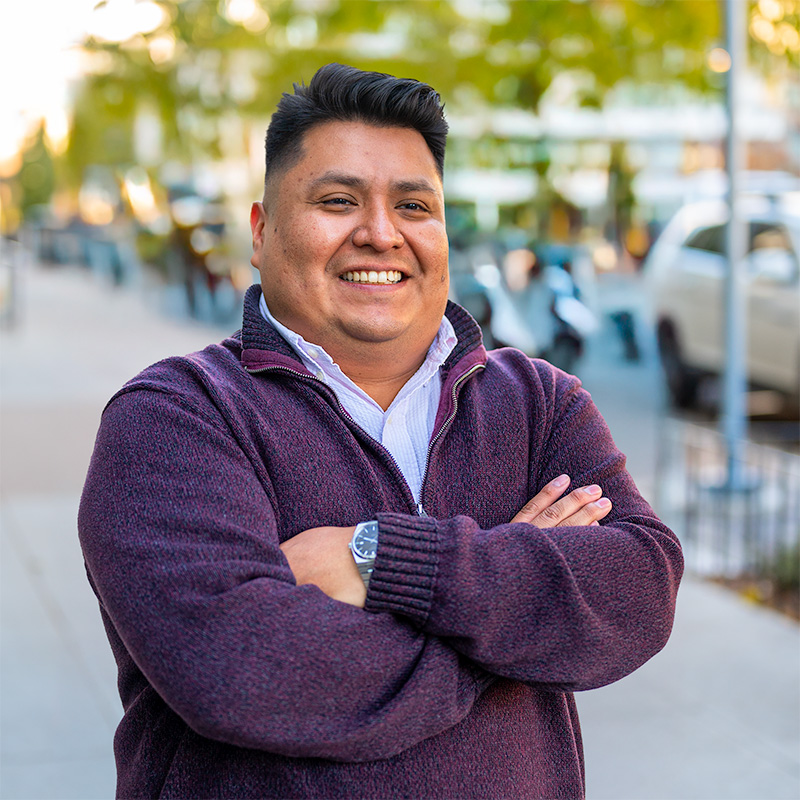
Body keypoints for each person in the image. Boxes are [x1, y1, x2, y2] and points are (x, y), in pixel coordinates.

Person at [78, 63, 683, 799]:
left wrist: (381, 559)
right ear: (262, 231)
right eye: (337, 201)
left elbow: (640, 591)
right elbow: (240, 671)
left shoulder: (540, 402)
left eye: (414, 206)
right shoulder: (176, 416)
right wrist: (510, 621)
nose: (380, 233)